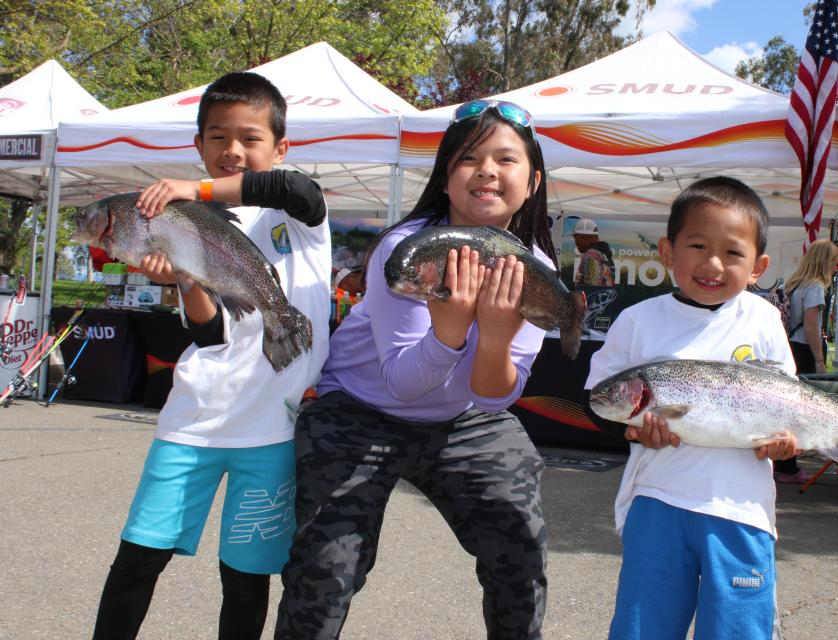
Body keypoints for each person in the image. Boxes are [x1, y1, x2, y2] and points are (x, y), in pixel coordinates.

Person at [276, 99, 553, 640]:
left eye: (506, 159)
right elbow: (402, 383)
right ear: (446, 178)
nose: (488, 171)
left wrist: (495, 339)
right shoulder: (408, 248)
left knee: (519, 553)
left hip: (467, 416)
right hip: (359, 411)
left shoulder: (538, 270)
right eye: (469, 158)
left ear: (533, 181)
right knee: (326, 570)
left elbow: (496, 397)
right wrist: (450, 331)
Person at [91, 72, 331, 640]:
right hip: (192, 423)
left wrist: (190, 190)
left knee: (245, 579)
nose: (233, 150)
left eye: (250, 137)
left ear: (280, 147)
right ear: (199, 146)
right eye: (218, 137)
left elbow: (299, 191)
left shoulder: (298, 223)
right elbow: (209, 336)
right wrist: (183, 281)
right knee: (137, 562)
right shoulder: (181, 225)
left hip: (271, 432)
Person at [585, 176, 799, 640]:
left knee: (737, 631)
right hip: (657, 499)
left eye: (733, 252)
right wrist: (632, 431)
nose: (713, 264)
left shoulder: (764, 319)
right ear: (667, 251)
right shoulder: (636, 320)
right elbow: (599, 402)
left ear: (759, 265)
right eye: (698, 245)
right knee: (643, 629)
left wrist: (787, 444)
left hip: (742, 510)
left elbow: (788, 402)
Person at [774, 238, 838, 483]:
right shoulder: (815, 286)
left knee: (788, 407)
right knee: (799, 410)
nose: (836, 267)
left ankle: (783, 463)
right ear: (824, 261)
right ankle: (788, 467)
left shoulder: (794, 284)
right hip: (804, 349)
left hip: (790, 345)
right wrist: (819, 360)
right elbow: (811, 325)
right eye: (834, 261)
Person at [572, 217, 615, 286]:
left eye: (576, 239)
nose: (576, 243)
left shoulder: (591, 255)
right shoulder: (604, 254)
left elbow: (593, 288)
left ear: (582, 238)